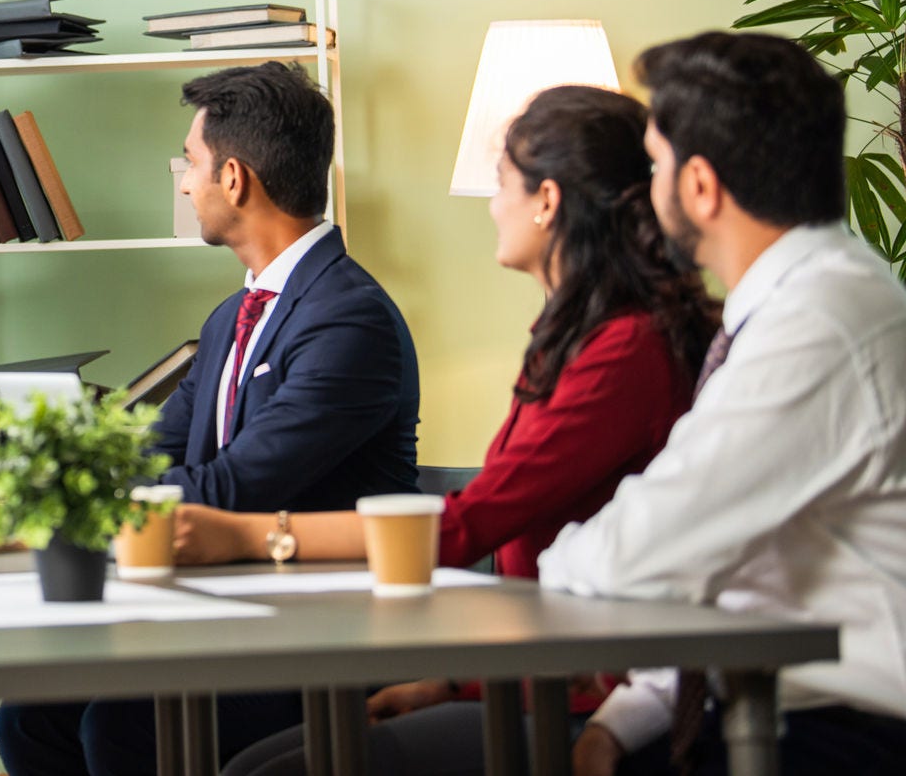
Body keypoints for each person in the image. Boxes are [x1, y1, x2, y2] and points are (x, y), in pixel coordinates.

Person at [176, 84, 717, 776]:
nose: (492, 205)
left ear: (547, 201)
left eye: (501, 183)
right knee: (254, 763)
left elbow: (472, 523)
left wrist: (250, 533)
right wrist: (452, 684)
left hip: (600, 699)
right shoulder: (570, 338)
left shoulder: (624, 350)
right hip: (537, 677)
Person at [0, 62, 419, 776]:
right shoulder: (232, 318)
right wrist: (36, 486)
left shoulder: (350, 319)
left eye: (190, 163)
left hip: (318, 634)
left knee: (122, 728)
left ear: (234, 178)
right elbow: (152, 450)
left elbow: (234, 486)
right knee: (29, 718)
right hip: (223, 610)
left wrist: (78, 509)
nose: (185, 182)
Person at [537, 32, 906, 776]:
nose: (647, 186)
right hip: (771, 705)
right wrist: (625, 714)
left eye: (657, 163)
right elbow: (731, 560)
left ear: (700, 186)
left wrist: (559, 573)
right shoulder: (806, 303)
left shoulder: (820, 324)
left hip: (844, 734)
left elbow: (639, 551)